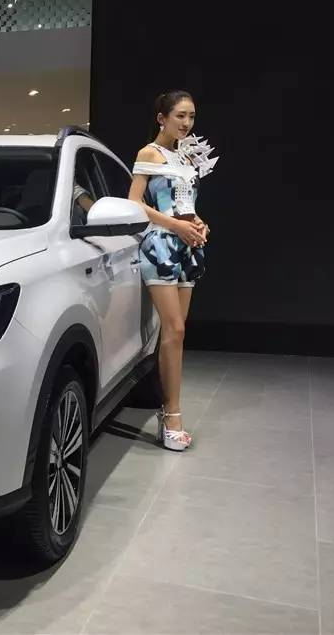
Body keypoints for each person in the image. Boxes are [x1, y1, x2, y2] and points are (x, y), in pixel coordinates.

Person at [128, 90, 219, 451]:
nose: (186, 123)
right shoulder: (148, 153)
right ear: (161, 118)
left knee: (177, 335)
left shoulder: (186, 156)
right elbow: (134, 202)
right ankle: (173, 416)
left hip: (187, 247)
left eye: (191, 116)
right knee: (174, 328)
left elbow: (186, 205)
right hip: (160, 246)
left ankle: (168, 409)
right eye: (180, 115)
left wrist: (198, 223)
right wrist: (176, 225)